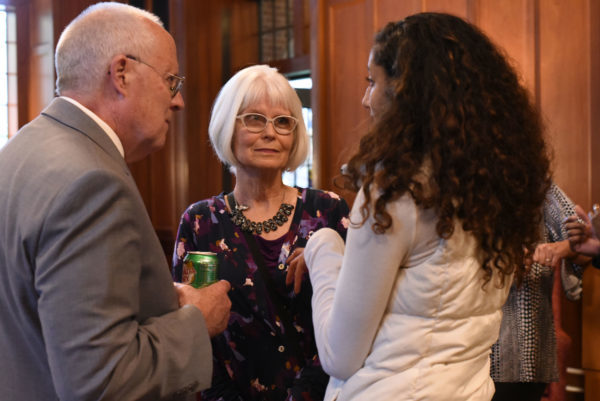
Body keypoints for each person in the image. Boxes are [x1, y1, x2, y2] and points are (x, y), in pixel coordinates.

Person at [302, 12, 552, 401]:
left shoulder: (397, 191)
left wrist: (323, 248)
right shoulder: (498, 187)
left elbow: (340, 355)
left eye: (372, 82)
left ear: (406, 91)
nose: (365, 99)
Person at [0, 3, 231, 400]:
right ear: (121, 74)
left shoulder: (18, 152)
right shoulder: (91, 184)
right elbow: (103, 380)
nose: (179, 101)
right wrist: (197, 320)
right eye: (171, 80)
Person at [172, 64, 350, 400]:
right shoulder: (202, 222)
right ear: (228, 127)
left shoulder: (328, 212)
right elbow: (192, 331)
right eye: (254, 119)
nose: (270, 133)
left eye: (283, 122)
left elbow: (354, 317)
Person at [491, 183, 589, 401]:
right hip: (462, 343)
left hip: (521, 348)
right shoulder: (459, 184)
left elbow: (584, 244)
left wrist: (560, 248)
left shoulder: (539, 186)